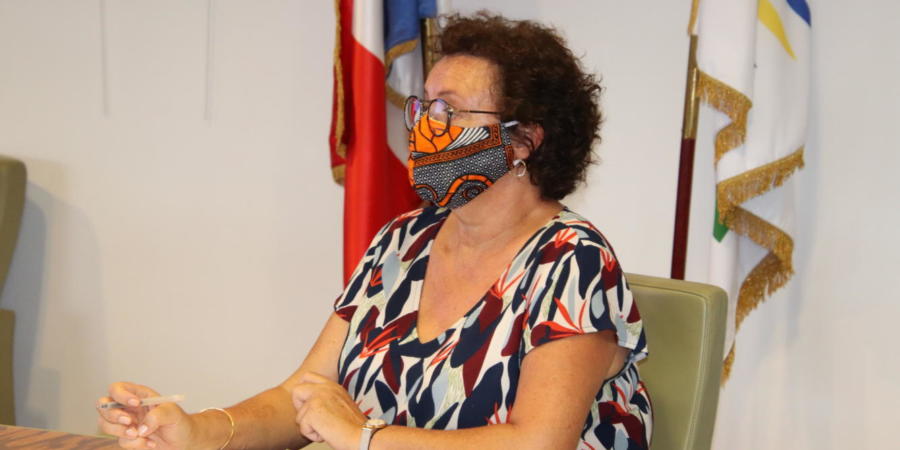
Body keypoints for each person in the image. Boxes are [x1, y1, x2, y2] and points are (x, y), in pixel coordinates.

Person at [96, 12, 651, 450]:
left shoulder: (572, 259)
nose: (424, 127)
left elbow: (538, 442)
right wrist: (196, 431)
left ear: (523, 140)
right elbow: (301, 397)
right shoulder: (403, 241)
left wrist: (364, 437)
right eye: (423, 107)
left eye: (450, 111)